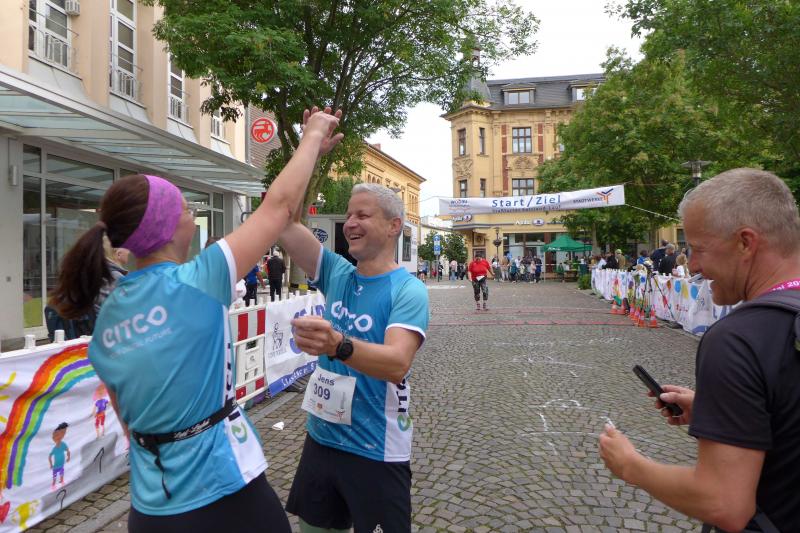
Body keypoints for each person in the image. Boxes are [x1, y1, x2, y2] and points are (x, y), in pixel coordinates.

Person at [47, 106, 342, 532]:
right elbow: (278, 207)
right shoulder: (198, 280)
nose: (193, 215)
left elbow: (127, 420)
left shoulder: (108, 314)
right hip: (224, 491)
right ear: (168, 228)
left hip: (151, 508)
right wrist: (312, 134)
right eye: (187, 209)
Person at [599, 168, 800, 532]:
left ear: (746, 243)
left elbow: (723, 502)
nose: (692, 265)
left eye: (699, 248)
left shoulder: (737, 339)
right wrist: (721, 411)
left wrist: (631, 466)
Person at [277, 183, 429, 532]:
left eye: (362, 215)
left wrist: (337, 345)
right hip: (321, 439)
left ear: (393, 225)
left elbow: (397, 363)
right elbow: (283, 220)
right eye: (348, 215)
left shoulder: (409, 290)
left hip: (375, 449)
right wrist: (309, 153)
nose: (349, 223)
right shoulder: (337, 272)